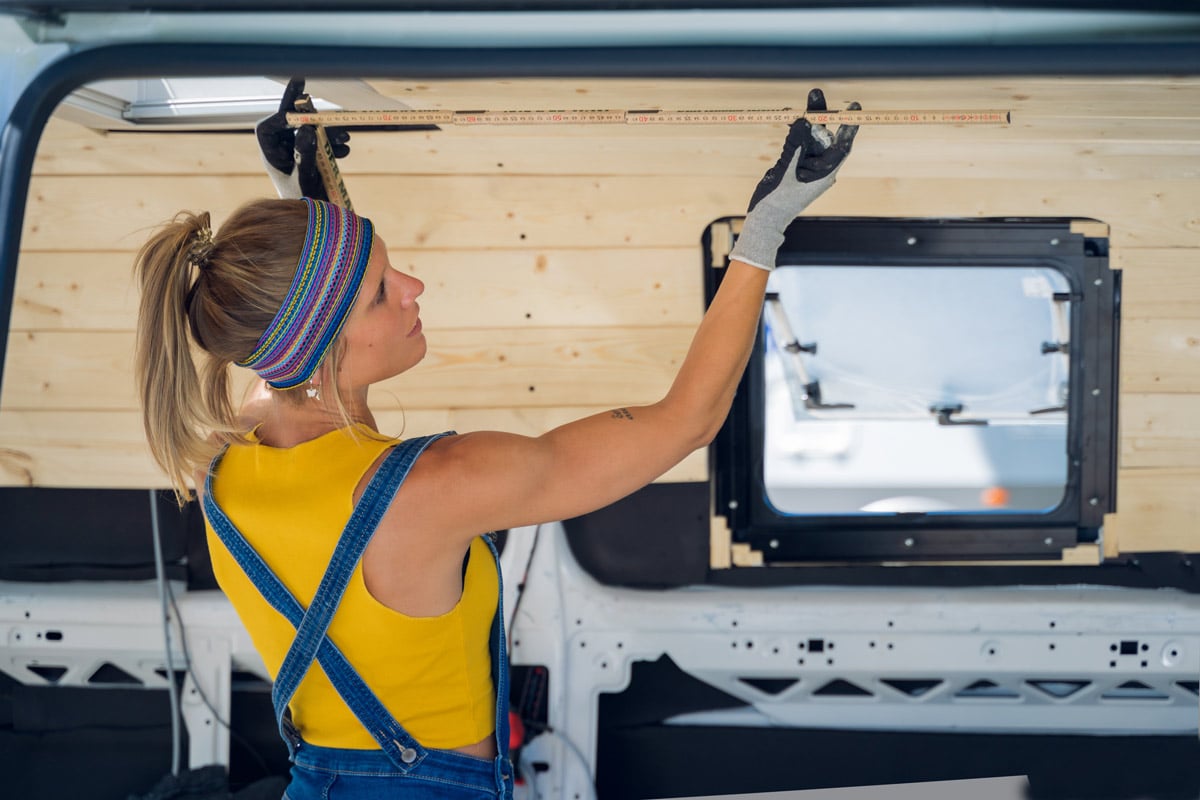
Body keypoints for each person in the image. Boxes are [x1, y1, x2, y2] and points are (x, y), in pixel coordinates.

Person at [132, 84, 858, 800]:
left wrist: (306, 196)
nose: (414, 285)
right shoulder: (434, 488)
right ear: (319, 349)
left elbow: (304, 333)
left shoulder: (225, 463)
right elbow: (687, 421)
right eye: (385, 290)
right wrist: (764, 230)